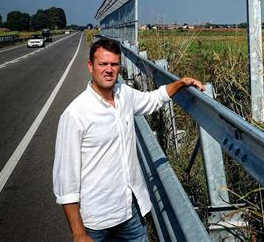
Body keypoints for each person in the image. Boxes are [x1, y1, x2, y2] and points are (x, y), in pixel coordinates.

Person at [53, 39, 205, 241]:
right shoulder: (75, 114)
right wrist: (79, 233)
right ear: (90, 66)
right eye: (102, 64)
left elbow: (152, 100)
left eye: (114, 64)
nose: (109, 70)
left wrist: (180, 83)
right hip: (98, 222)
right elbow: (66, 180)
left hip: (131, 212)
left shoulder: (124, 95)